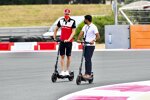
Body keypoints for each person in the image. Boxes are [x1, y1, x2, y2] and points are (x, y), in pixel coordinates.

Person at [53, 9, 76, 76]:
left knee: (68, 56)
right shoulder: (61, 21)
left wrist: (69, 39)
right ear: (64, 14)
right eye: (65, 14)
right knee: (62, 56)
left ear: (69, 14)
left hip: (69, 42)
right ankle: (63, 71)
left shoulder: (72, 21)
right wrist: (54, 37)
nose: (66, 15)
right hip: (62, 41)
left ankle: (67, 70)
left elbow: (73, 32)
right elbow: (56, 29)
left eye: (68, 14)